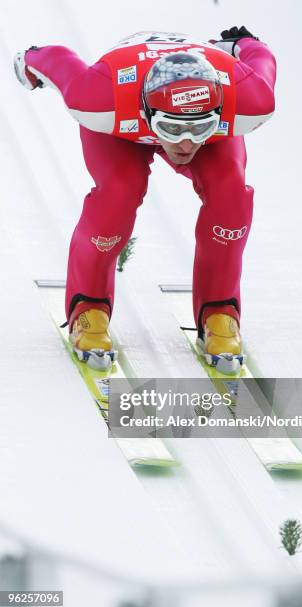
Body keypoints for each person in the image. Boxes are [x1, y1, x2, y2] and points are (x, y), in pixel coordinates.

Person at [14, 27, 276, 370]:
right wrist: (30, 61)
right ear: (148, 115)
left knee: (231, 194)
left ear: (220, 114)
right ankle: (88, 306)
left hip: (165, 104)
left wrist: (242, 43)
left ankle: (220, 310)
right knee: (119, 192)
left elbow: (263, 59)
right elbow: (58, 59)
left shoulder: (250, 99)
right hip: (122, 124)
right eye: (171, 128)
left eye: (200, 129)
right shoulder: (98, 97)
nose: (185, 144)